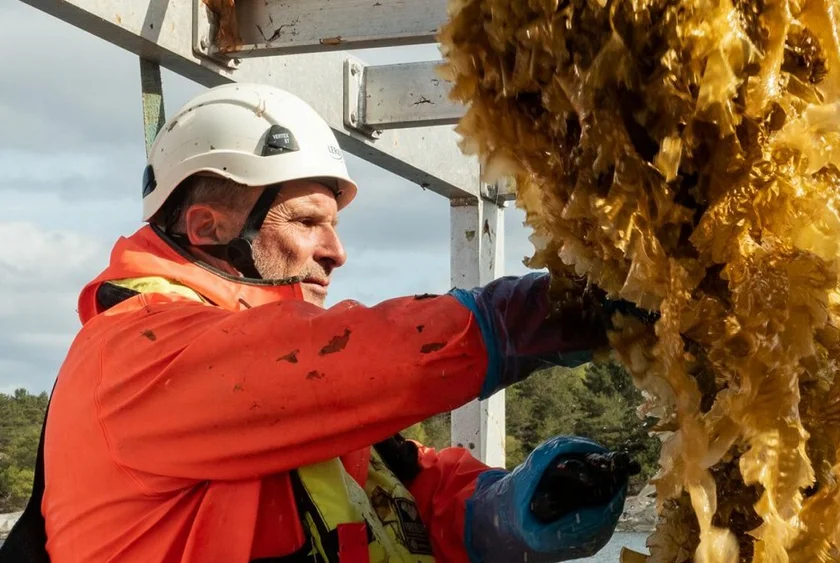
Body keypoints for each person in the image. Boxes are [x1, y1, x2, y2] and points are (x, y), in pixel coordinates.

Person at [0, 83, 646, 563]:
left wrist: (501, 510)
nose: (337, 252)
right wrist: (542, 315)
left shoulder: (281, 401)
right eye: (307, 222)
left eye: (333, 227)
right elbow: (359, 360)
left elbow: (405, 487)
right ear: (208, 229)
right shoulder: (138, 351)